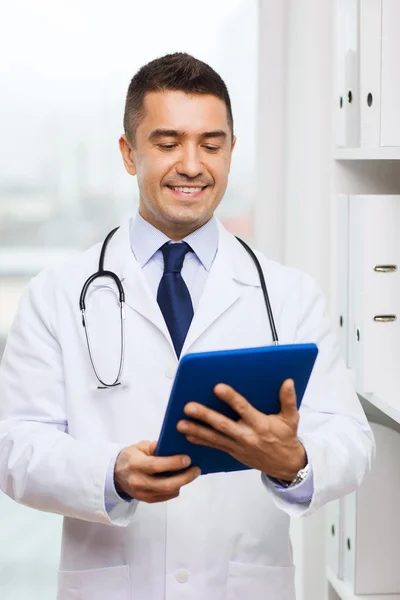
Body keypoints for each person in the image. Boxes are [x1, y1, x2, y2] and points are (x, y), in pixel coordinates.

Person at [0, 52, 373, 600]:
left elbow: (351, 440)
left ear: (231, 152)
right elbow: (15, 447)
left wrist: (295, 462)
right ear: (130, 154)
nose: (193, 164)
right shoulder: (58, 293)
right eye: (168, 143)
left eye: (211, 144)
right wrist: (111, 472)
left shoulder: (289, 295)